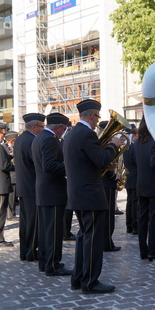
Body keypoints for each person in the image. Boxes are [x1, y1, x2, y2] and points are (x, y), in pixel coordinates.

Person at [64, 99, 124, 294]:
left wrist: (104, 164)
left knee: (83, 236)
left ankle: (79, 278)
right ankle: (90, 281)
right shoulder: (86, 134)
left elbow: (88, 162)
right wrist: (113, 146)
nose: (98, 120)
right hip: (89, 194)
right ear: (92, 116)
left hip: (79, 193)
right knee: (92, 239)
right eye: (97, 116)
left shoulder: (73, 134)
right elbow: (102, 158)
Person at [31, 113, 73, 276]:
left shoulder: (40, 137)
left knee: (46, 231)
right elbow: (49, 165)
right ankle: (53, 264)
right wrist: (69, 166)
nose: (63, 133)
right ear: (58, 128)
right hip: (52, 191)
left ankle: (45, 262)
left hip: (45, 191)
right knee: (53, 231)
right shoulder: (49, 139)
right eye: (63, 129)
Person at [13, 113, 45, 260]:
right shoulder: (32, 141)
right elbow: (37, 164)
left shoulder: (20, 139)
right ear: (34, 127)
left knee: (26, 223)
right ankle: (31, 252)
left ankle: (25, 252)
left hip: (24, 186)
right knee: (33, 223)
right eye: (41, 127)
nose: (43, 129)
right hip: (32, 187)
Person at [135, 117, 155, 261]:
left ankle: (143, 251)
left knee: (142, 219)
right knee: (154, 219)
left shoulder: (137, 143)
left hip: (142, 184)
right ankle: (152, 251)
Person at [98, 120, 121, 253]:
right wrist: (114, 176)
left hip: (105, 184)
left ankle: (107, 241)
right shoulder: (104, 145)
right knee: (108, 217)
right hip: (107, 183)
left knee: (108, 216)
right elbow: (106, 164)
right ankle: (107, 242)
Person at [122, 125, 138, 235]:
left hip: (129, 177)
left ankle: (129, 225)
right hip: (135, 176)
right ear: (134, 136)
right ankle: (134, 225)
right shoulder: (133, 147)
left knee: (130, 202)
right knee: (134, 202)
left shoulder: (126, 148)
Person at [4, 131, 18, 220]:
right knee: (10, 197)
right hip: (11, 174)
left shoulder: (12, 148)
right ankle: (10, 214)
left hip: (15, 174)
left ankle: (12, 212)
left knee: (13, 197)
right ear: (11, 141)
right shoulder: (5, 148)